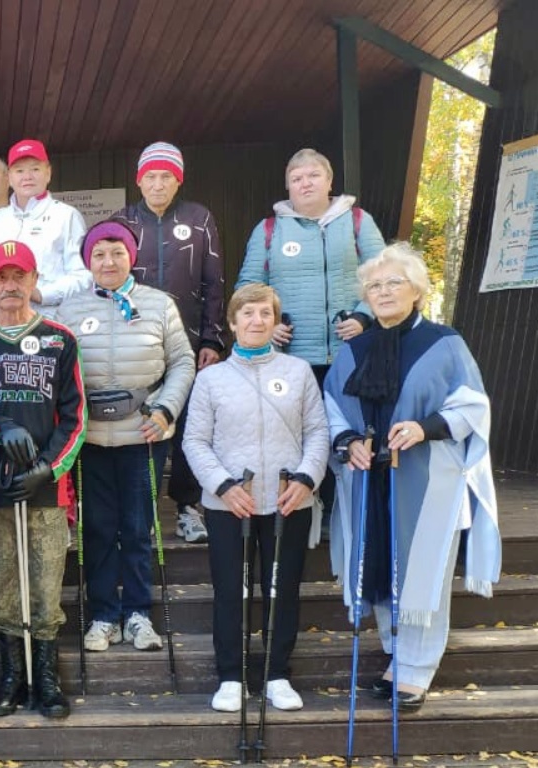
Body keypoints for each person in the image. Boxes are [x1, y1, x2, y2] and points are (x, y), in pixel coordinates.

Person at [324, 243, 501, 711]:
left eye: (393, 283)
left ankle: (417, 667)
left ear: (417, 290)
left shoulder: (444, 344)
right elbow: (331, 407)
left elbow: (472, 404)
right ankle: (395, 654)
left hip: (425, 475)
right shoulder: (354, 350)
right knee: (378, 562)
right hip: (370, 477)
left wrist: (424, 428)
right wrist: (348, 441)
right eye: (374, 286)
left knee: (421, 568)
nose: (383, 292)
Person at [182, 284, 329, 712]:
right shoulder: (210, 379)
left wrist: (307, 479)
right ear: (232, 322)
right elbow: (195, 441)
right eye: (247, 313)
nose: (256, 320)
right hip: (231, 504)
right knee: (231, 590)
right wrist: (223, 486)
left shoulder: (298, 371)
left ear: (275, 321)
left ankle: (277, 673)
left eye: (265, 313)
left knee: (282, 590)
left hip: (288, 500)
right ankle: (231, 675)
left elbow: (318, 431)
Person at [0, 240, 86, 719]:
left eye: (19, 276)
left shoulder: (59, 340)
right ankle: (12, 675)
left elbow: (76, 417)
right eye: (1, 277)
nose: (10, 285)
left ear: (34, 281)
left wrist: (48, 467)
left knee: (46, 586)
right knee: (5, 585)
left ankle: (45, 679)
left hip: (46, 488)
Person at [56, 220, 194, 655]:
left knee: (137, 528)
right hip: (92, 439)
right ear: (88, 262)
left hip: (143, 434)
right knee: (97, 528)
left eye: (117, 252)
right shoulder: (69, 310)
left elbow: (182, 361)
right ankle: (103, 614)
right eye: (99, 254)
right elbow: (60, 372)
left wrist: (166, 409)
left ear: (131, 257)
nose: (108, 261)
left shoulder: (159, 304)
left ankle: (137, 613)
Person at [235, 149, 386, 520]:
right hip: (292, 358)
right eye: (297, 178)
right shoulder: (269, 229)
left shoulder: (358, 222)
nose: (305, 183)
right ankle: (303, 513)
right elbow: (249, 287)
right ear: (288, 186)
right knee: (299, 434)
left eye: (313, 176)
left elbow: (384, 275)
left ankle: (341, 514)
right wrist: (270, 324)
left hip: (350, 354)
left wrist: (364, 317)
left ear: (329, 181)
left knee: (348, 433)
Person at [115, 141, 228, 544]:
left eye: (166, 176)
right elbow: (110, 282)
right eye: (151, 176)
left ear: (178, 181)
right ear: (139, 181)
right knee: (141, 425)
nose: (158, 184)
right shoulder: (123, 221)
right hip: (138, 345)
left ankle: (186, 507)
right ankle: (140, 513)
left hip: (190, 344)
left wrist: (212, 339)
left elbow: (214, 284)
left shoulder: (199, 219)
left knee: (187, 428)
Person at [0, 140, 91, 315]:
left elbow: (83, 276)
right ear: (9, 178)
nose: (27, 176)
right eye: (19, 171)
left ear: (48, 173)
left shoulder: (66, 216)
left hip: (53, 320)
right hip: (3, 323)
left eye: (35, 169)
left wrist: (41, 294)